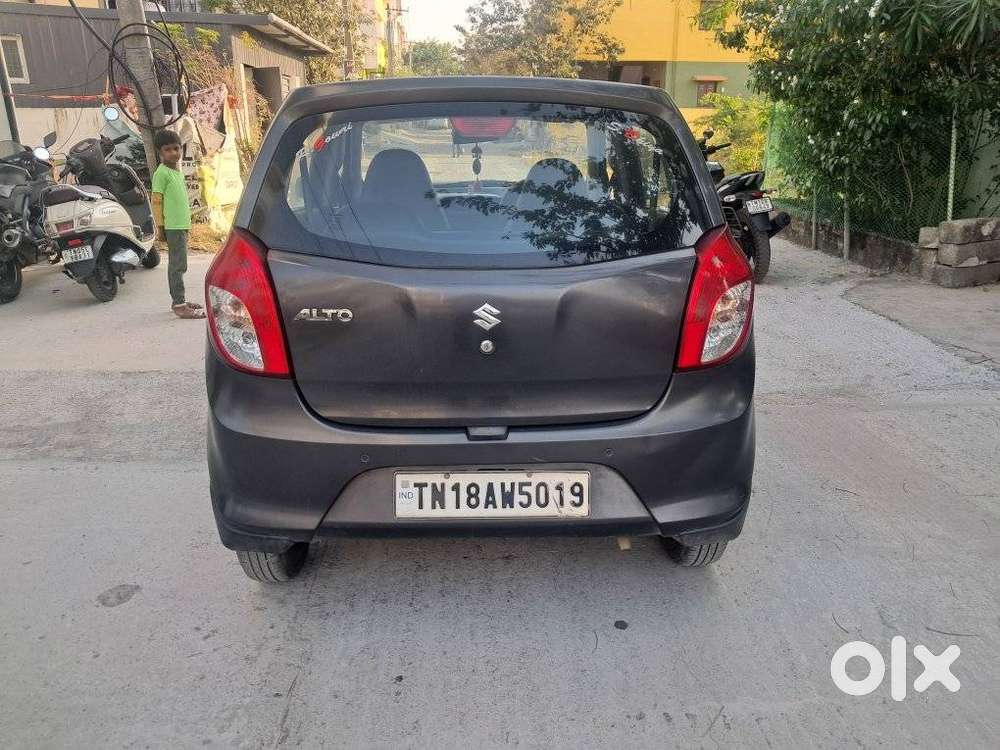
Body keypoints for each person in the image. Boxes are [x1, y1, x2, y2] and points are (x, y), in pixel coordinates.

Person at [151, 130, 204, 319]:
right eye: (168, 150)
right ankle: (179, 304)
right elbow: (156, 201)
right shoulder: (161, 173)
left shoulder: (176, 172)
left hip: (181, 225)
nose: (174, 153)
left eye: (176, 148)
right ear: (160, 152)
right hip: (172, 226)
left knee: (180, 264)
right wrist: (161, 227)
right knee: (177, 265)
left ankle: (180, 299)